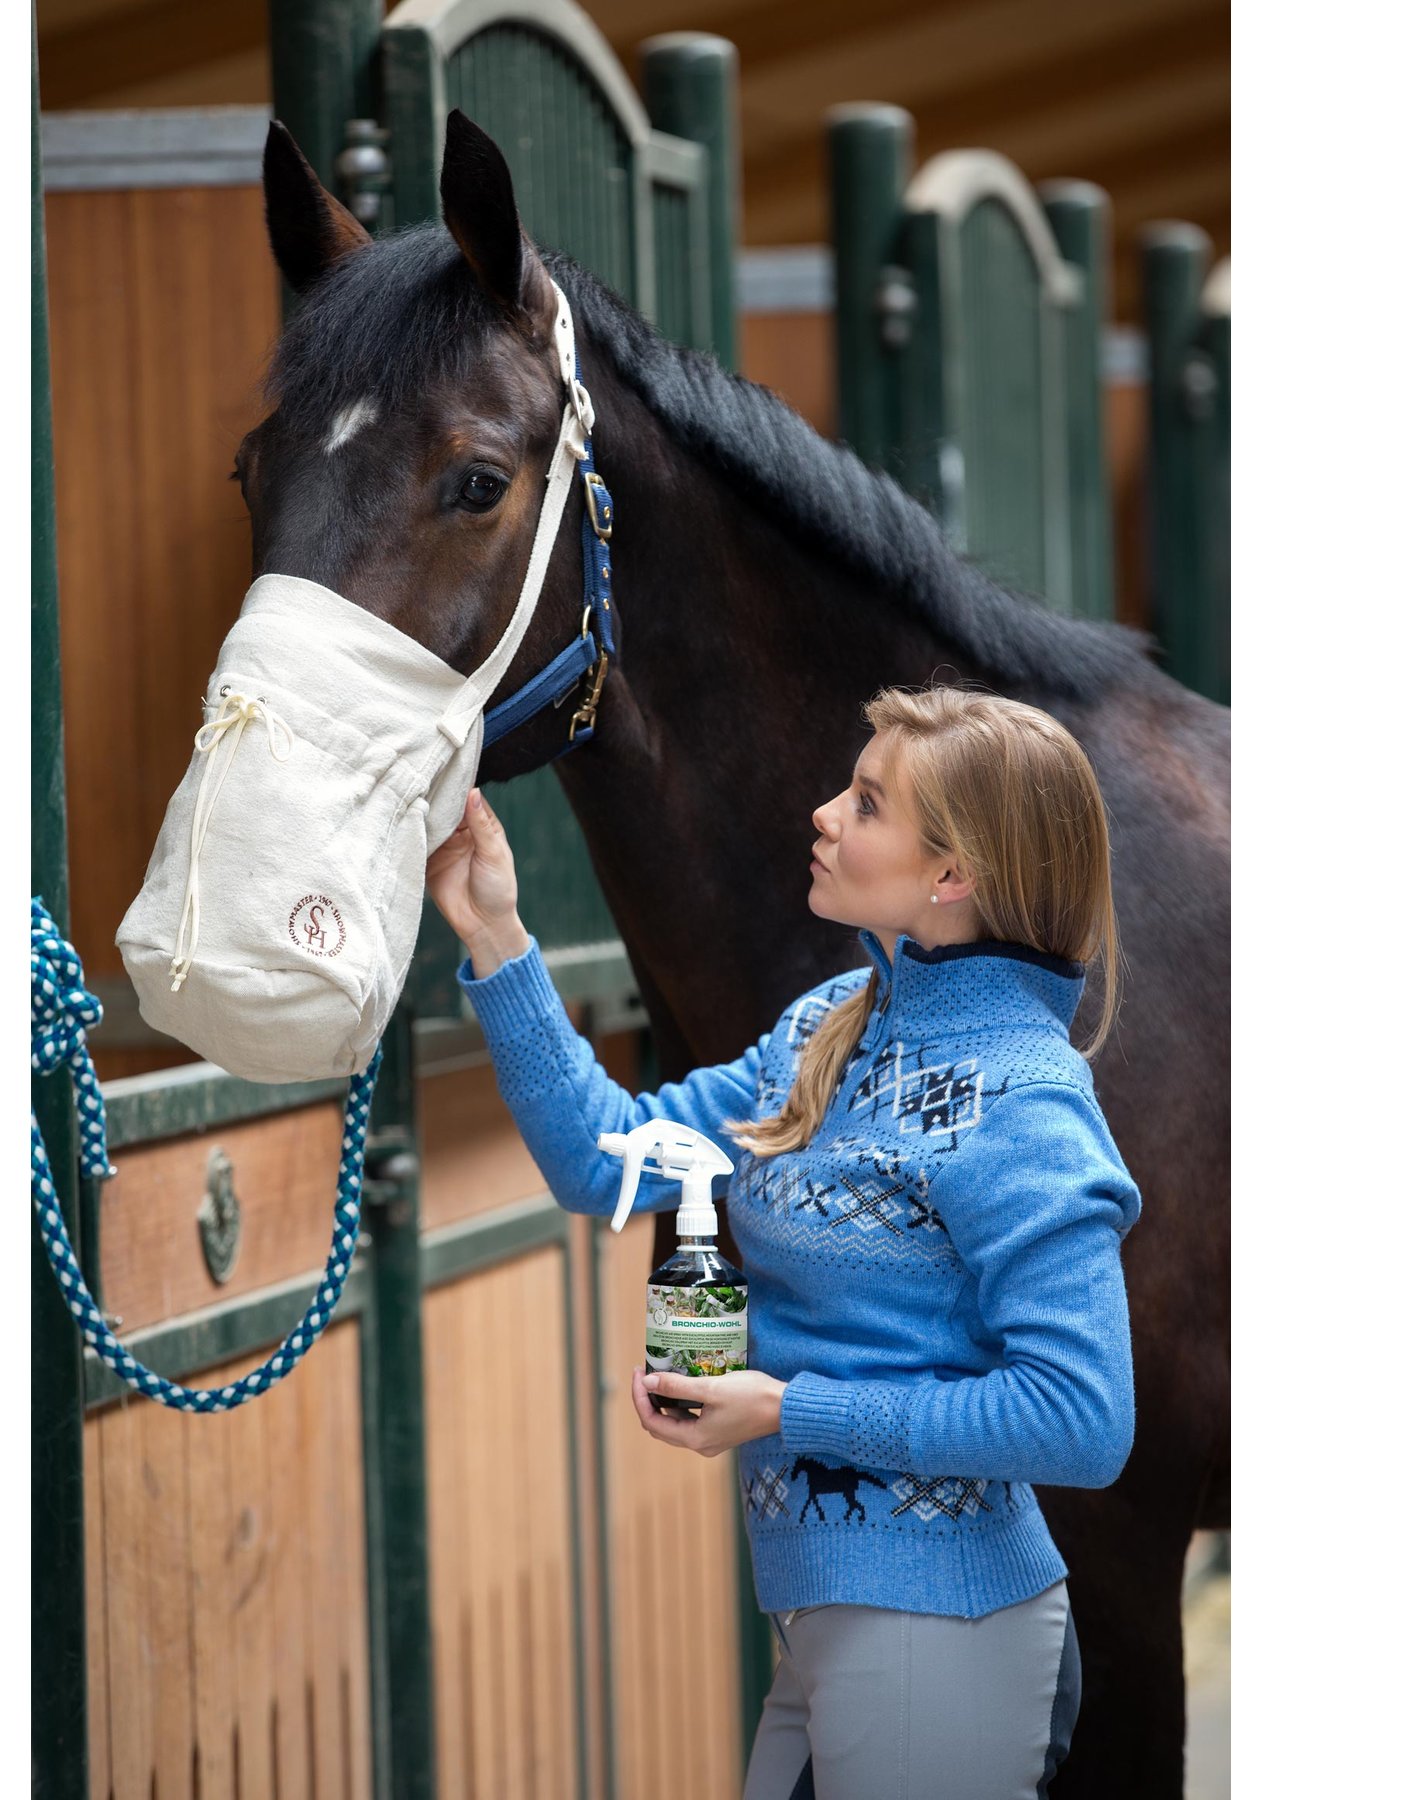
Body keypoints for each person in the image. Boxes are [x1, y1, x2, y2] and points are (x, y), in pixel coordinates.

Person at [425, 685, 1140, 1800]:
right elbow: (607, 1154)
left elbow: (1081, 1419)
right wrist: (499, 937)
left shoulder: (1024, 1098)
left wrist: (786, 1408)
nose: (822, 813)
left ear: (950, 876)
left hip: (939, 1625)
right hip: (830, 1618)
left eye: (865, 803)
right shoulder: (828, 1026)